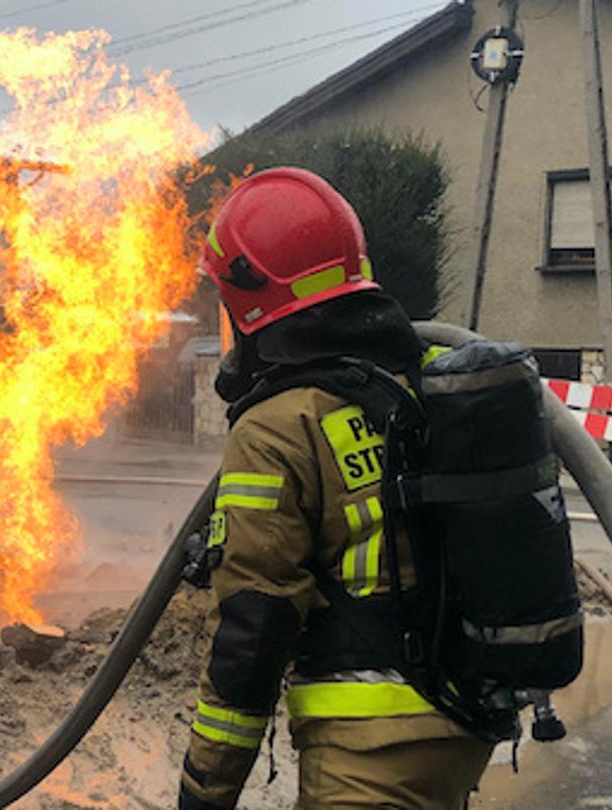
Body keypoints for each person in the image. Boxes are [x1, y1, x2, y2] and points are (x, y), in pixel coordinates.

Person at [179, 168, 495, 809]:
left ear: (249, 299)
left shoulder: (277, 425)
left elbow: (255, 630)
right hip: (465, 720)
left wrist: (204, 791)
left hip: (368, 745)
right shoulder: (421, 381)